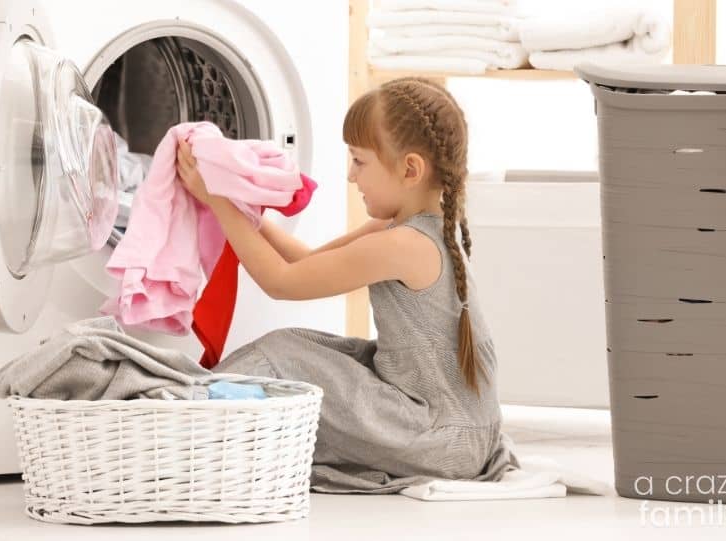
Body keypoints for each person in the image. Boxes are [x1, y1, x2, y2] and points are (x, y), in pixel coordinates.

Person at [175, 76, 520, 494]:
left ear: (409, 169)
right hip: (458, 430)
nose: (350, 176)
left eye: (359, 161)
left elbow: (281, 282)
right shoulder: (406, 230)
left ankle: (181, 413)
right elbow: (306, 262)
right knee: (306, 347)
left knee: (284, 354)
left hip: (439, 437)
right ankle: (200, 407)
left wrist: (218, 202)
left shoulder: (405, 244)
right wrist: (244, 208)